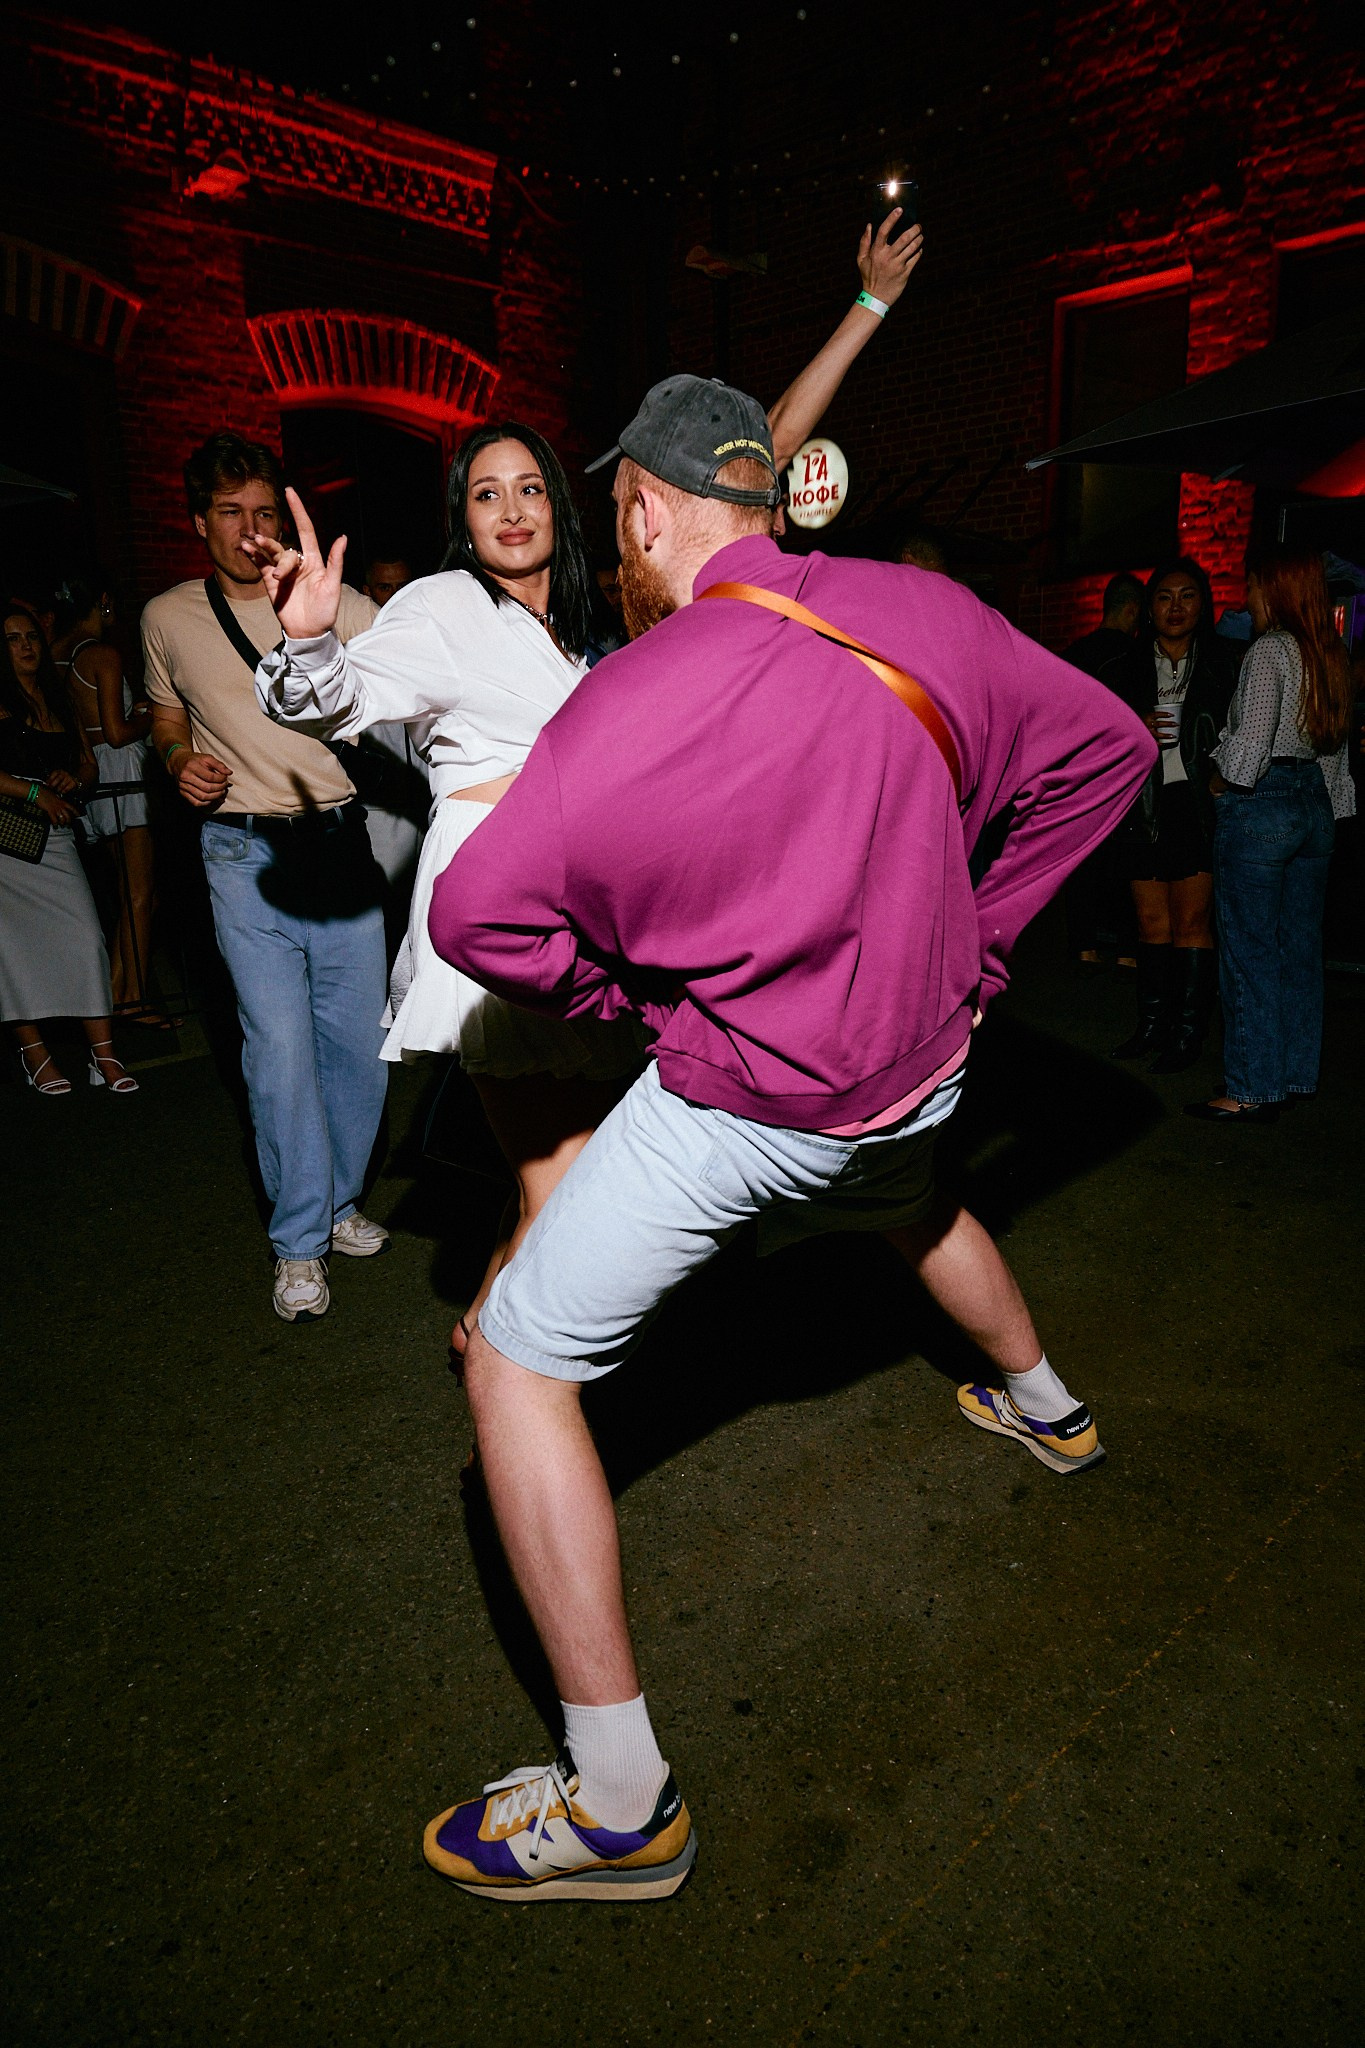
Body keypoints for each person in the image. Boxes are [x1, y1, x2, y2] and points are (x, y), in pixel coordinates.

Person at [414, 374, 1154, 1902]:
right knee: (914, 1202)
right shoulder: (923, 609)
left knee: (514, 1364)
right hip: (924, 1067)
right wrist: (983, 940)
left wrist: (622, 994)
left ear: (643, 513)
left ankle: (620, 1808)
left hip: (751, 1106)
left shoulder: (628, 700)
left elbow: (473, 917)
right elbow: (1110, 752)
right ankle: (1052, 1409)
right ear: (763, 493)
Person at [250, 213, 928, 1355]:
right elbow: (332, 699)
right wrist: (312, 640)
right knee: (562, 1188)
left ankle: (495, 1346)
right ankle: (509, 1370)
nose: (511, 509)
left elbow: (744, 467)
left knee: (577, 1176)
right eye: (485, 493)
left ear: (564, 505)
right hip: (495, 910)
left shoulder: (598, 616)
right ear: (462, 519)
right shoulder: (439, 608)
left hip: (590, 914)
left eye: (529, 487)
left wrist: (865, 309)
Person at [142, 431, 389, 1323]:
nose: (250, 532)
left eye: (263, 513)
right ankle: (298, 1242)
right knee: (278, 1052)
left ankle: (339, 1199)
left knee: (357, 1051)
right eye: (229, 513)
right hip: (241, 854)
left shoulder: (336, 602)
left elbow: (418, 663)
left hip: (339, 848)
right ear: (197, 521)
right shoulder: (168, 616)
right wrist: (178, 761)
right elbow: (166, 714)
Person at [1187, 542, 1356, 1123]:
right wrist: (1327, 808)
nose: (1247, 597)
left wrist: (1218, 780)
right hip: (1313, 806)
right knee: (1300, 951)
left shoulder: (1270, 651)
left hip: (1263, 804)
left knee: (1249, 953)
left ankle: (1253, 1088)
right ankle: (1293, 1074)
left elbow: (1252, 743)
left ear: (1275, 589)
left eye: (1252, 585)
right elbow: (1334, 752)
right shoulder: (1331, 652)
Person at [1102, 559, 1237, 1072]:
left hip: (1196, 804)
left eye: (1187, 596)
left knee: (1191, 922)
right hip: (1143, 802)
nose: (1175, 607)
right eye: (1164, 597)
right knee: (1150, 921)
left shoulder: (1225, 663)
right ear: (1149, 608)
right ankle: (1151, 1027)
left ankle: (1186, 1034)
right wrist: (1131, 724)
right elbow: (1096, 729)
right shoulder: (1126, 666)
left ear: (1203, 604)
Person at [0, 599, 136, 1096]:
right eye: (13, 639)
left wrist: (74, 779)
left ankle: (104, 1056)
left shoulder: (56, 698)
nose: (26, 646)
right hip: (5, 842)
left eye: (31, 637)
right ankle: (35, 1054)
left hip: (54, 840)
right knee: (11, 949)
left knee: (85, 937)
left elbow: (88, 764)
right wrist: (34, 792)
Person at [49, 576, 174, 1025]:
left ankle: (116, 993)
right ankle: (133, 999)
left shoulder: (56, 652)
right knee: (140, 892)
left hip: (91, 771)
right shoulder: (102, 653)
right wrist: (152, 717)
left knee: (131, 893)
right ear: (103, 602)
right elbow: (117, 733)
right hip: (120, 770)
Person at [1061, 573, 1145, 966]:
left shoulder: (1073, 654)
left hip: (1079, 770)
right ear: (1132, 610)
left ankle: (1084, 945)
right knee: (1127, 857)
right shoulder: (1137, 656)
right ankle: (1127, 950)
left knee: (1083, 859)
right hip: (1123, 769)